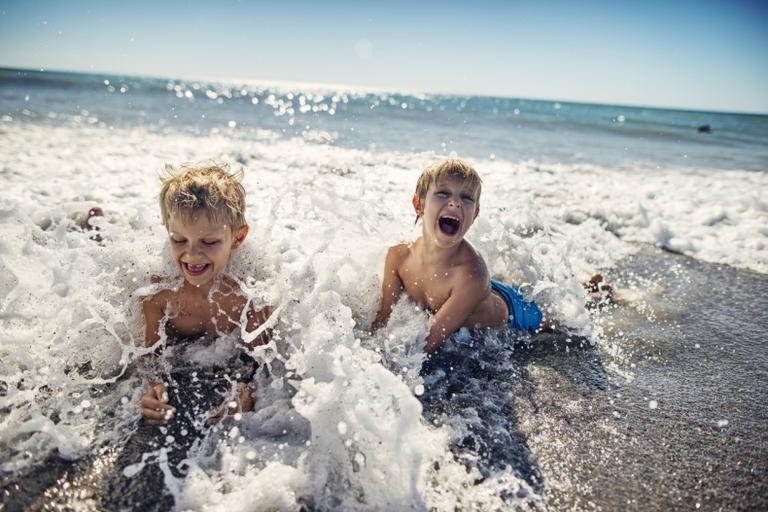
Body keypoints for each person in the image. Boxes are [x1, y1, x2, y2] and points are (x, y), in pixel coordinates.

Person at [372, 159, 610, 355]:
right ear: (419, 205)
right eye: (443, 193)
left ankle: (595, 293)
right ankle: (587, 284)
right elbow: (383, 318)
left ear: (475, 215)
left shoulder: (471, 275)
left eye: (466, 198)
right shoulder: (398, 257)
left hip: (514, 313)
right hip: (485, 290)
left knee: (560, 319)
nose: (455, 202)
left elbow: (429, 342)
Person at [138, 163, 271, 423]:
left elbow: (263, 362)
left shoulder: (249, 294)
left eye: (209, 242)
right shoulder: (159, 293)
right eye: (178, 240)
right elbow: (149, 356)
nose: (192, 255)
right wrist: (150, 388)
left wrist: (248, 391)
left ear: (238, 238)